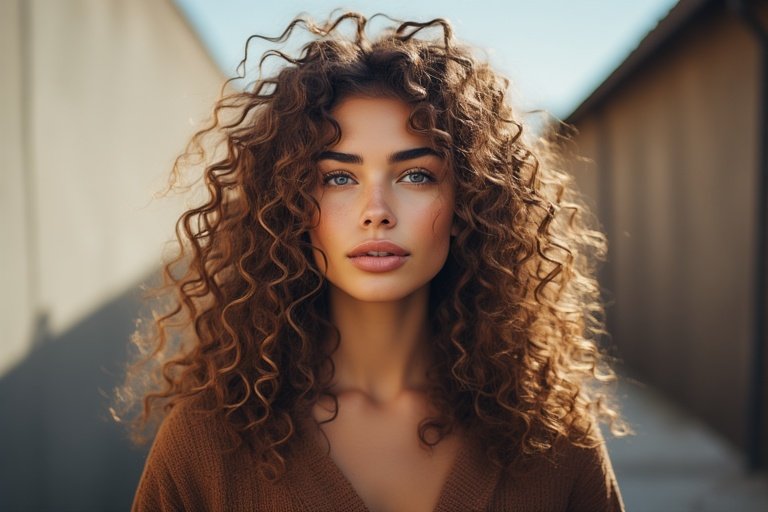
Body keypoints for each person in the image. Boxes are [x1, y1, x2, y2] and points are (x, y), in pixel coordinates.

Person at [117, 11, 627, 512]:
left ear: (466, 203)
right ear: (292, 208)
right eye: (339, 178)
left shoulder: (549, 434)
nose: (376, 213)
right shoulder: (208, 440)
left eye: (416, 176)